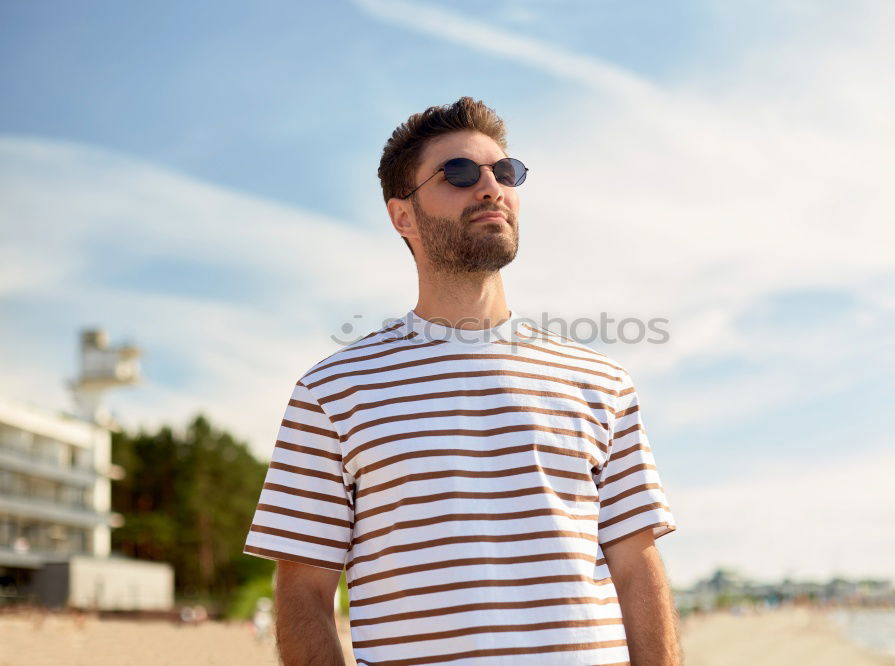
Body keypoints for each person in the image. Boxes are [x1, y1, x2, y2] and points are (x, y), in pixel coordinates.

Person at [243, 97, 682, 665]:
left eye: (505, 172)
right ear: (403, 217)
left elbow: (637, 565)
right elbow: (303, 589)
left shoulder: (602, 381)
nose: (491, 187)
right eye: (458, 173)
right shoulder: (332, 393)